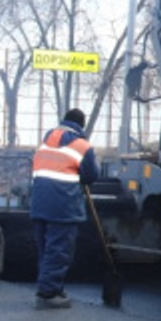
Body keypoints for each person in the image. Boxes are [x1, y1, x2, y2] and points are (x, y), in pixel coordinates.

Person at [29, 107, 99, 309]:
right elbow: (90, 176)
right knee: (58, 250)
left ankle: (53, 286)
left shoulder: (45, 142)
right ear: (81, 125)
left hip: (40, 203)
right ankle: (48, 293)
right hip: (63, 206)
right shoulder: (82, 146)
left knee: (45, 250)